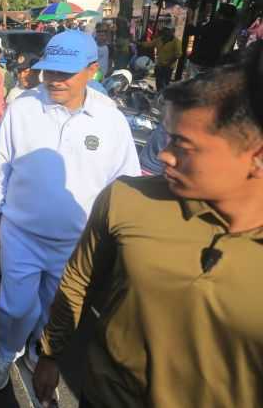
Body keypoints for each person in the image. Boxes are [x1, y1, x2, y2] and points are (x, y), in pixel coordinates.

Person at [33, 61, 263, 407]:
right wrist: (50, 354)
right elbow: (78, 281)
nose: (165, 155)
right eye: (167, 137)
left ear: (255, 156)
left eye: (184, 146)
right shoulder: (126, 198)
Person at [0, 30, 140, 391]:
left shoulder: (111, 120)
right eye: (49, 70)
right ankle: (8, 348)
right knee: (15, 307)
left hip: (76, 244)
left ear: (92, 70)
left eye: (65, 72)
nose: (54, 79)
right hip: (20, 234)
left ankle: (41, 349)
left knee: (57, 310)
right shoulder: (23, 108)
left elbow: (126, 184)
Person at [188, 2, 238, 75]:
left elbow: (195, 32)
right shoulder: (233, 28)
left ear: (219, 13)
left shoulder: (214, 24)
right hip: (215, 62)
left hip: (200, 60)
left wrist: (189, 20)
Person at [138, 26, 182, 91]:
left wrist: (168, 64)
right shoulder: (159, 39)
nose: (164, 33)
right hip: (159, 65)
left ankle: (163, 95)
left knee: (165, 83)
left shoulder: (176, 42)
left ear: (171, 32)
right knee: (158, 82)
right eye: (164, 31)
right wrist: (139, 43)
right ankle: (159, 94)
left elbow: (177, 55)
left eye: (167, 31)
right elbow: (149, 44)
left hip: (168, 67)